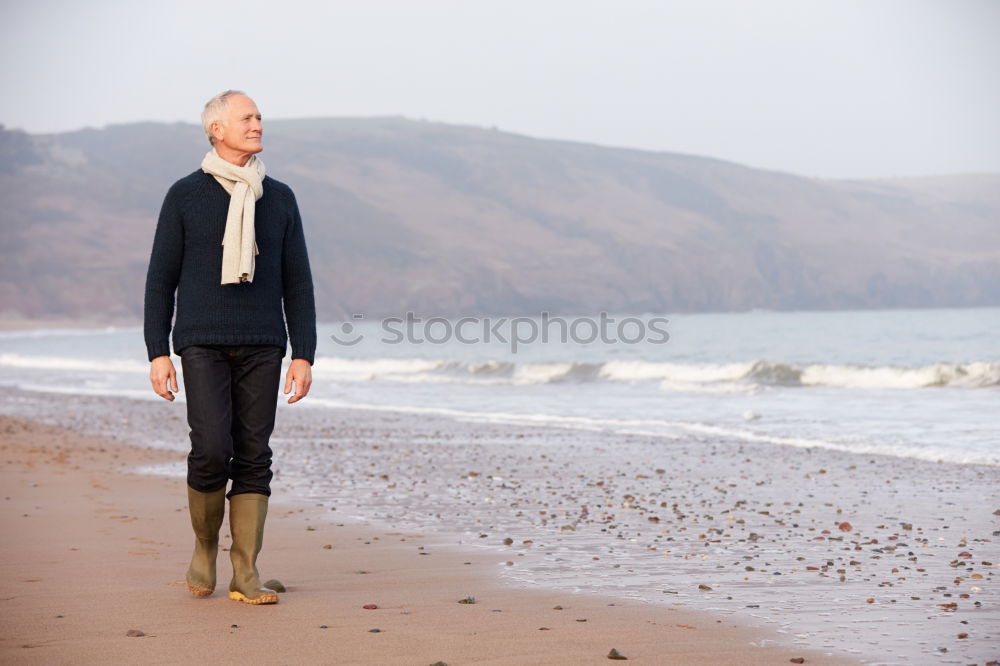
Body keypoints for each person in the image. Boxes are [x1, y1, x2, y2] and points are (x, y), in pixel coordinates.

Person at [143, 90, 316, 605]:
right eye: (246, 117)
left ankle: (245, 569)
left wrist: (304, 354)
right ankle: (203, 547)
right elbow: (160, 279)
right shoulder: (184, 195)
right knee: (212, 448)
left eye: (259, 116)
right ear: (216, 129)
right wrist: (158, 351)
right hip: (202, 343)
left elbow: (298, 281)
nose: (257, 123)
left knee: (255, 454)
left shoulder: (279, 197)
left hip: (264, 343)